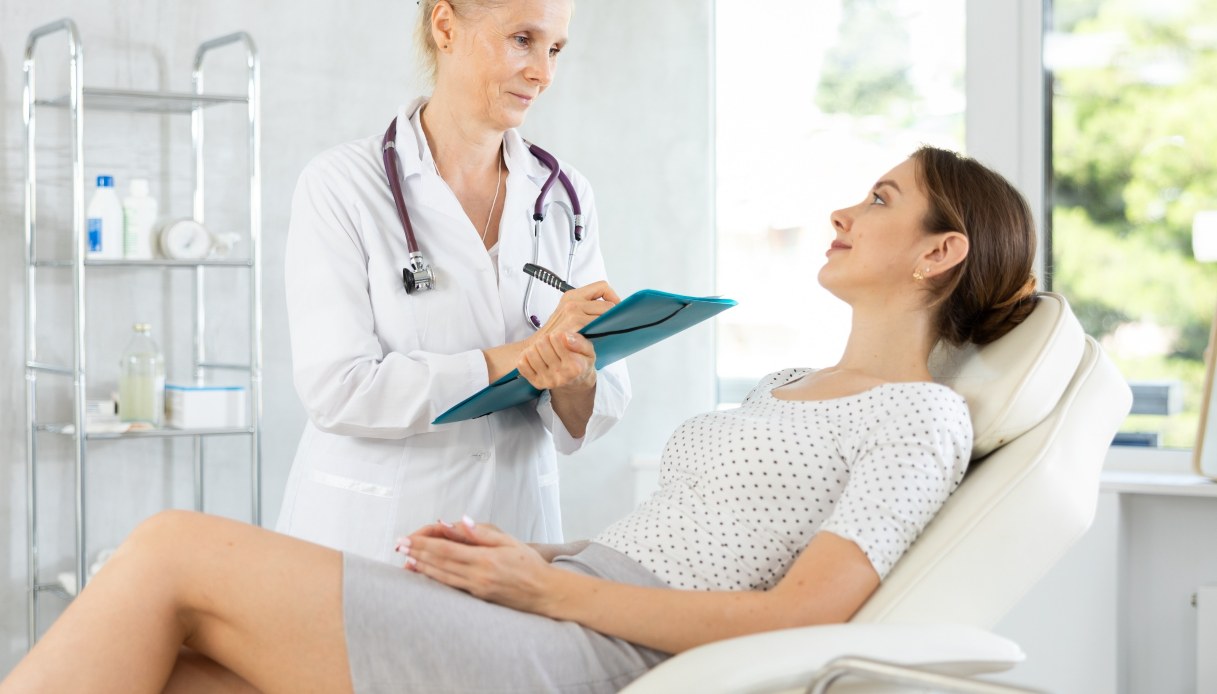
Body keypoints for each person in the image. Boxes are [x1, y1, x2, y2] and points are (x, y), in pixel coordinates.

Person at [1, 146, 1039, 694]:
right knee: (176, 667)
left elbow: (799, 617)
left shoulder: (921, 418)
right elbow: (684, 535)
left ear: (938, 251)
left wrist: (548, 589)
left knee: (168, 551)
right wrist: (531, 557)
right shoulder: (786, 383)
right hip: (558, 599)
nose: (842, 214)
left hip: (592, 650)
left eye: (878, 200)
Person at [279, 0, 629, 563]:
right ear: (445, 26)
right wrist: (527, 356)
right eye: (522, 40)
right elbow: (339, 389)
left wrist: (576, 374)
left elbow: (592, 410)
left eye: (555, 49)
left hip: (514, 534)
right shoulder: (342, 185)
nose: (543, 72)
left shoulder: (566, 196)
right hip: (376, 537)